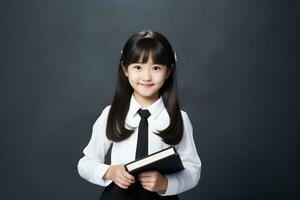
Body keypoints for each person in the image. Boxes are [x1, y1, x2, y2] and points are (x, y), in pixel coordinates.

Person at [77, 30, 201, 200]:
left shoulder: (179, 118)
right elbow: (85, 162)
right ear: (125, 69)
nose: (147, 76)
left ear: (168, 71)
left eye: (156, 67)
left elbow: (193, 169)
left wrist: (165, 183)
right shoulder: (111, 114)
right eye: (138, 67)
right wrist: (110, 171)